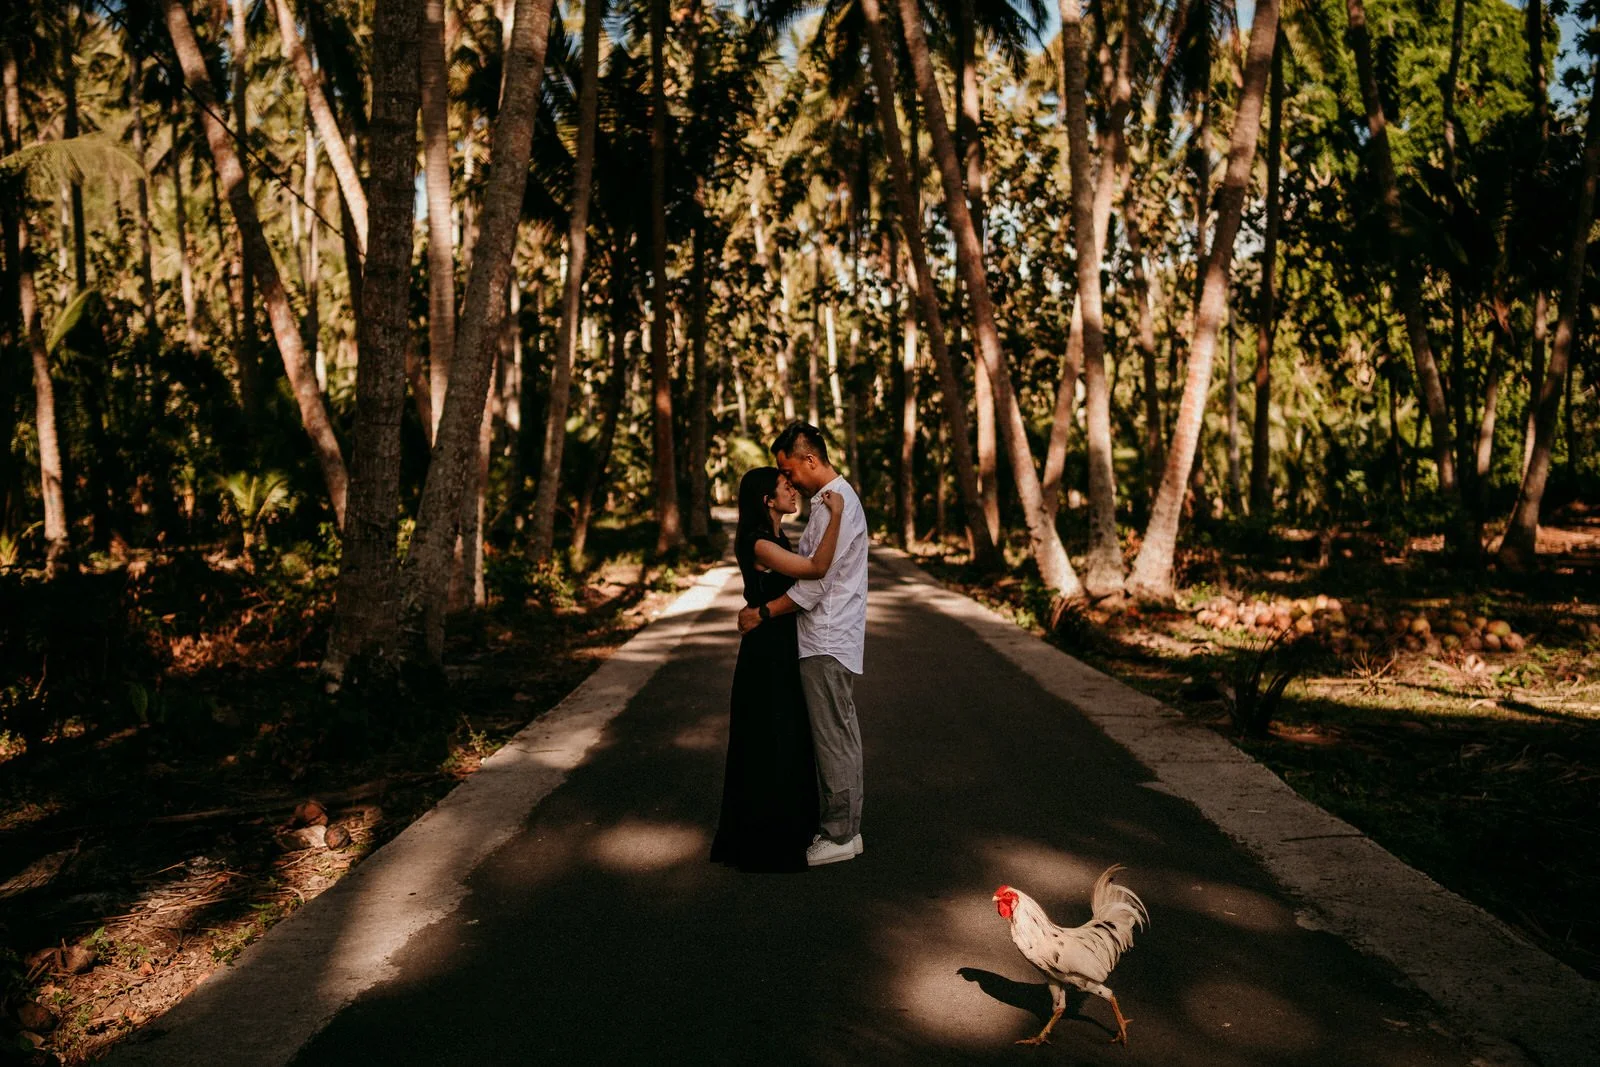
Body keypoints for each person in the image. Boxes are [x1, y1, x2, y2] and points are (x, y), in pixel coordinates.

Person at [738, 423, 869, 868]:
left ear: (809, 459)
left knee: (834, 737)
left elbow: (815, 584)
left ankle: (840, 834)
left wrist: (765, 612)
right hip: (824, 636)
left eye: (788, 468)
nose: (787, 479)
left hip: (827, 638)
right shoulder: (829, 504)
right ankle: (843, 829)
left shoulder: (838, 505)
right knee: (837, 733)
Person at [711, 467, 845, 872]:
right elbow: (816, 569)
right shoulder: (760, 545)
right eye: (784, 487)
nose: (793, 489)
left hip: (778, 646)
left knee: (784, 737)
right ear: (767, 501)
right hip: (765, 656)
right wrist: (837, 515)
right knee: (772, 738)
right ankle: (765, 844)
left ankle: (785, 831)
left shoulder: (776, 538)